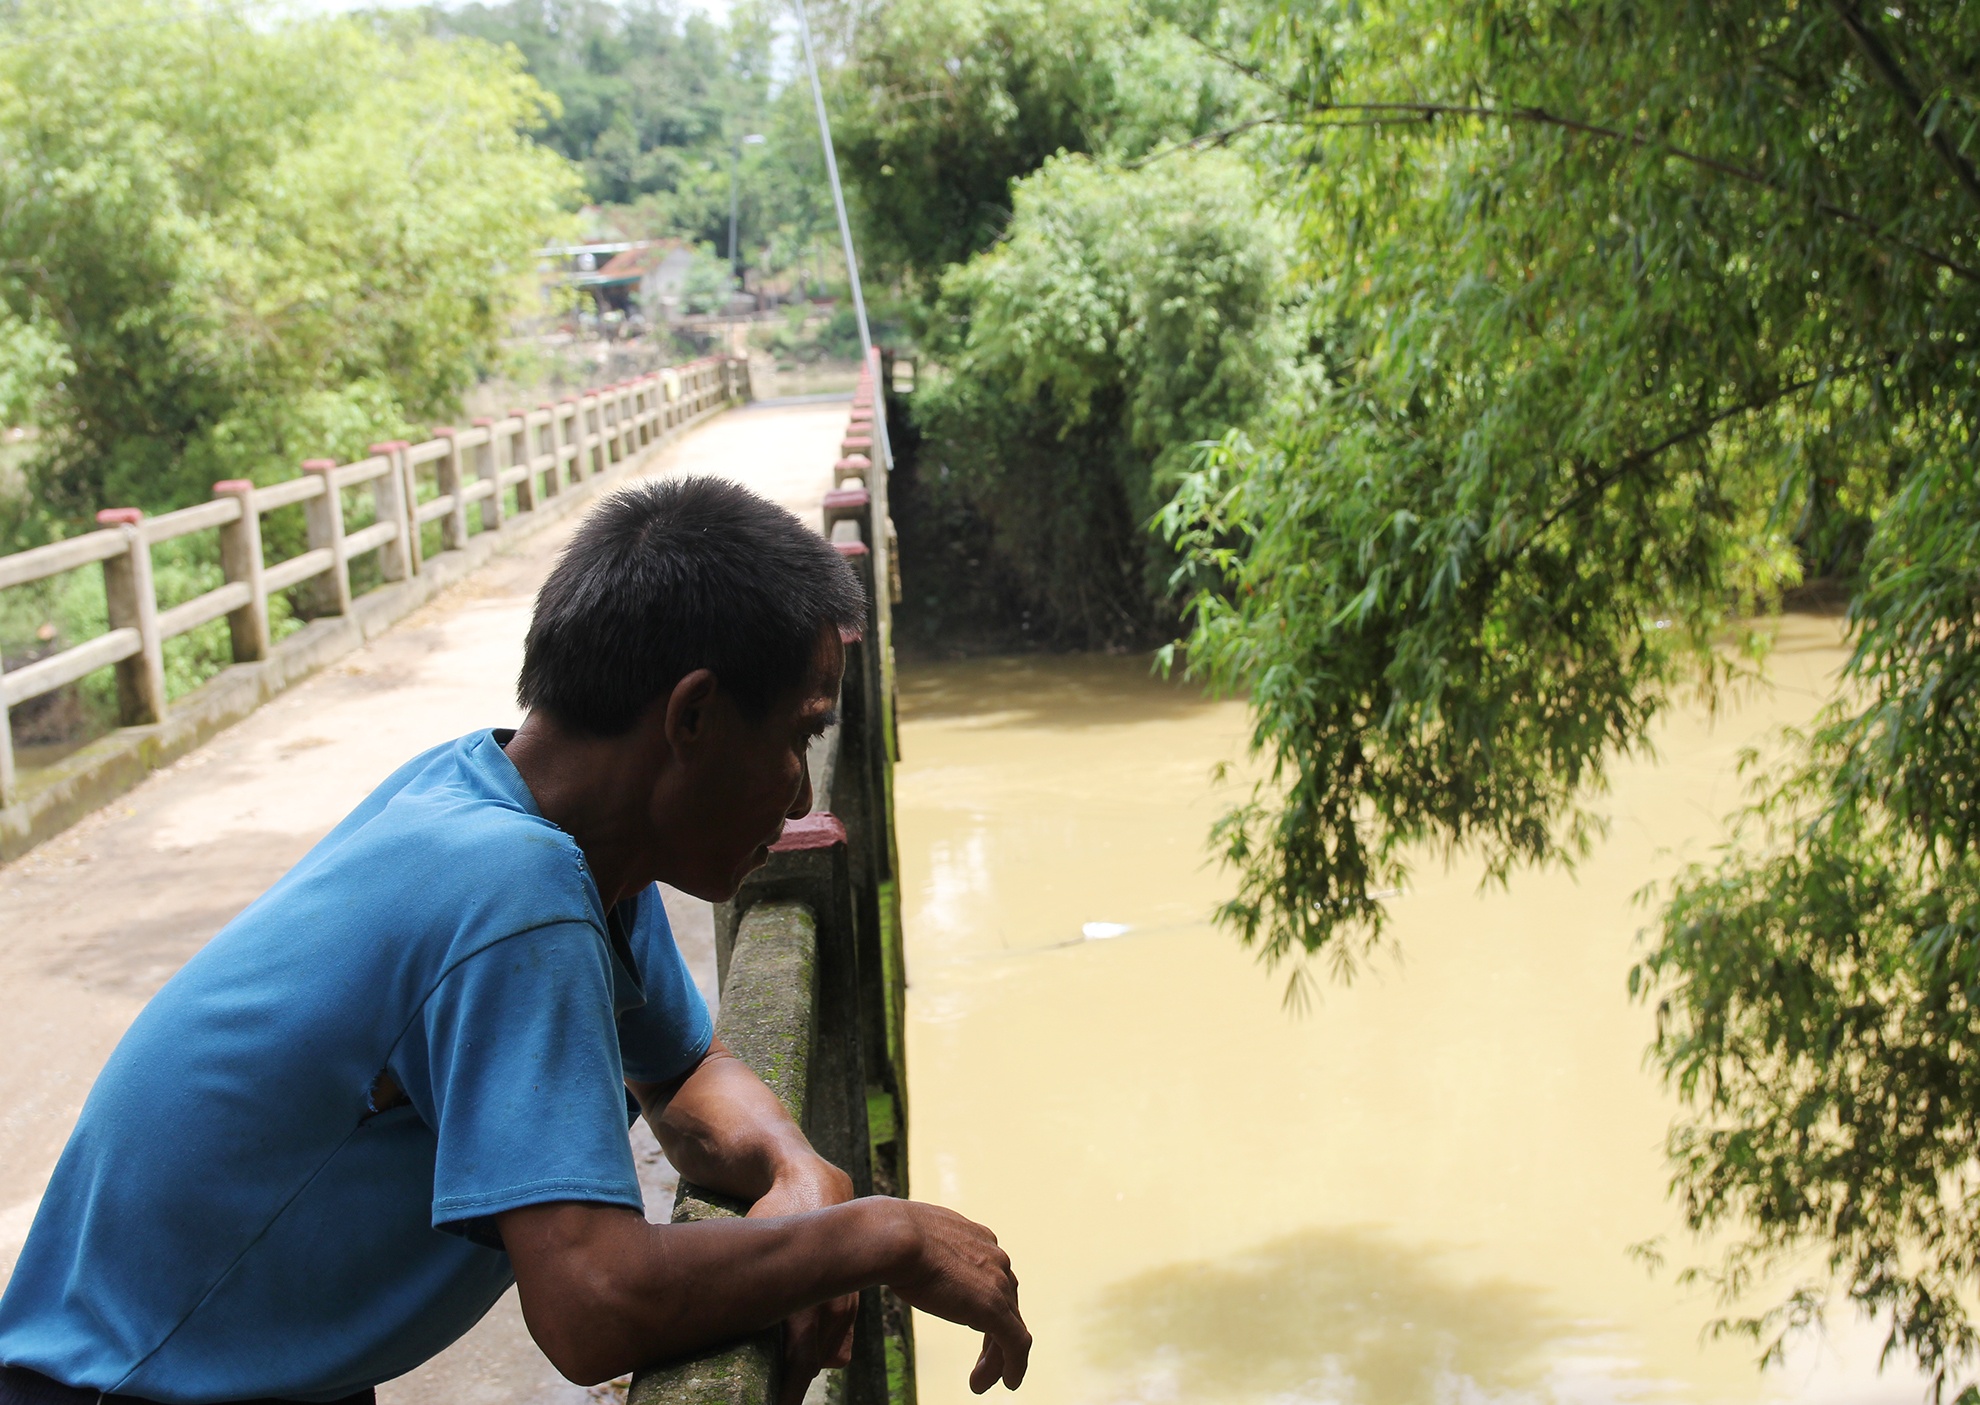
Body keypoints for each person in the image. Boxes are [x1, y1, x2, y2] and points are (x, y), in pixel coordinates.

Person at [0, 477, 1029, 1405]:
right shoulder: (513, 883)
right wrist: (879, 1236)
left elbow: (684, 1073)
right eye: (798, 736)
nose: (801, 794)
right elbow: (592, 1303)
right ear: (694, 717)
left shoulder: (535, 816)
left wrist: (803, 1179)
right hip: (120, 1384)